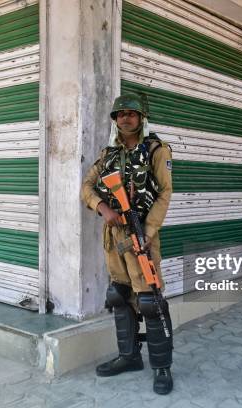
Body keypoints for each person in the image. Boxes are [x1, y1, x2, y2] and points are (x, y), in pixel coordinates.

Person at [80, 93, 174, 395]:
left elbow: (164, 194)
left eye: (131, 113)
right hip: (114, 239)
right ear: (114, 120)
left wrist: (147, 230)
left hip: (143, 235)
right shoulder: (108, 153)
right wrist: (102, 208)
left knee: (150, 300)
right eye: (120, 114)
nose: (125, 118)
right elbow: (86, 186)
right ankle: (129, 357)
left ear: (141, 117)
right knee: (119, 296)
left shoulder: (157, 150)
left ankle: (161, 366)